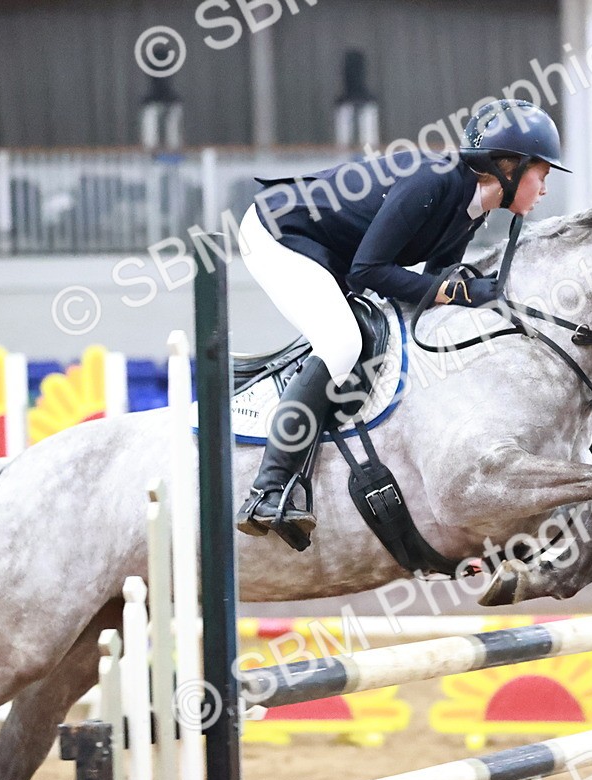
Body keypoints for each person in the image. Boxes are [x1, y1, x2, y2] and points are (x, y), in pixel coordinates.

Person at [235, 98, 569, 542]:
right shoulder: (431, 182)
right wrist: (460, 291)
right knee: (342, 344)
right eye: (540, 174)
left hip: (332, 248)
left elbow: (431, 286)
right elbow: (368, 272)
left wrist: (467, 296)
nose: (544, 188)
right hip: (279, 232)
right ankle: (268, 489)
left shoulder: (473, 209)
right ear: (509, 168)